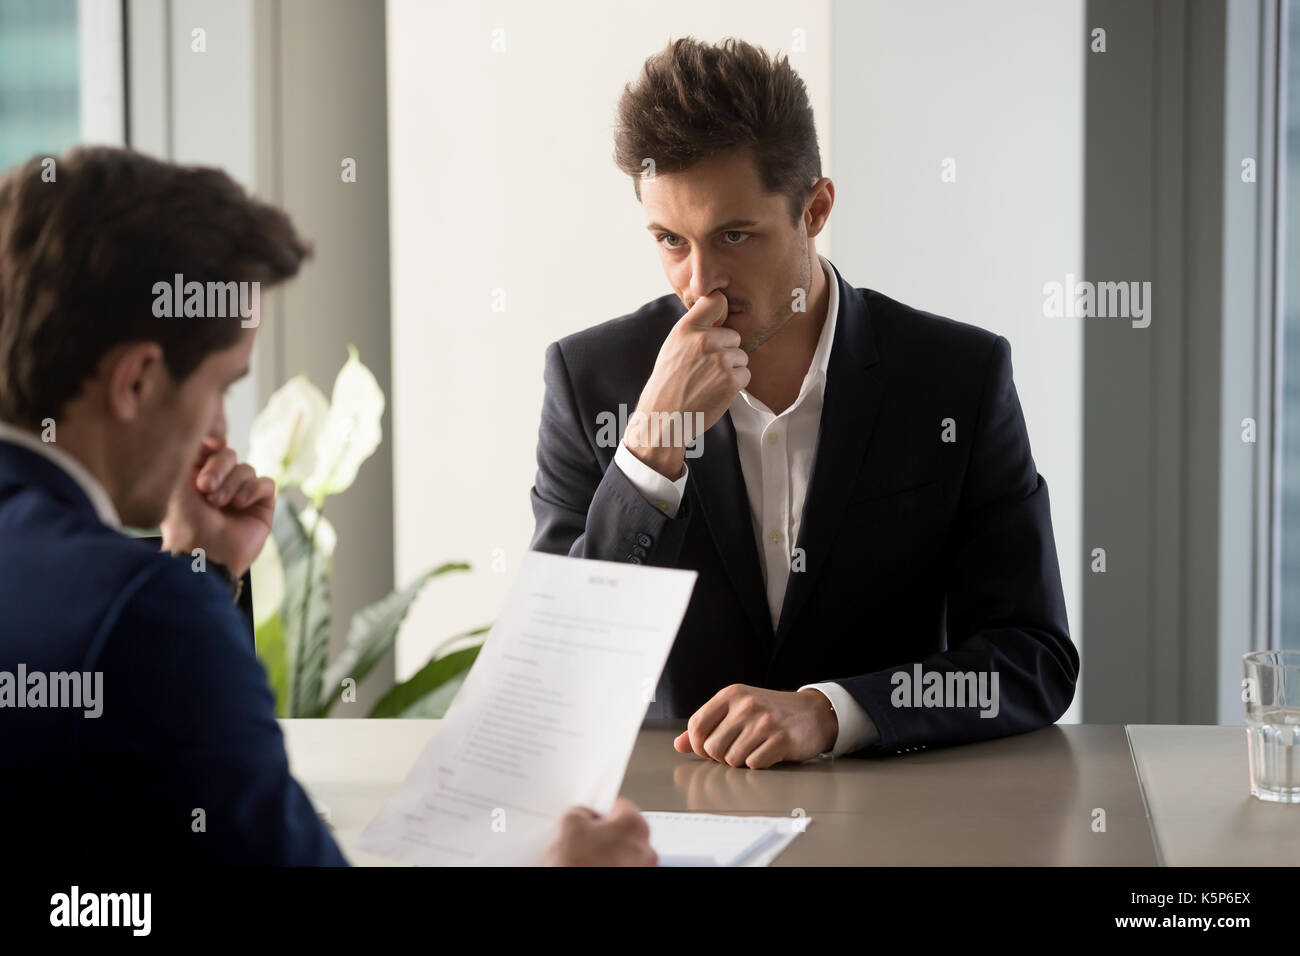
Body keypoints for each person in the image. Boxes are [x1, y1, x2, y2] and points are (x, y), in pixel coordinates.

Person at [0, 146, 654, 867]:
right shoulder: (140, 613)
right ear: (138, 381)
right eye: (220, 386)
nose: (217, 429)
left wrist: (204, 567)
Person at [530, 37, 1079, 768]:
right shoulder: (589, 377)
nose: (700, 283)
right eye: (670, 240)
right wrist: (648, 454)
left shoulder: (957, 377)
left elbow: (1031, 658)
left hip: (900, 817)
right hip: (675, 824)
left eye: (735, 236)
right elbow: (557, 674)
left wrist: (834, 712)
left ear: (815, 208)